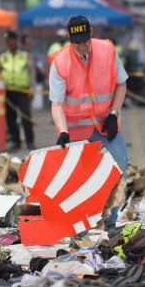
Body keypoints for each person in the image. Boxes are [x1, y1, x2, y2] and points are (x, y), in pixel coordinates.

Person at [49, 16, 129, 174]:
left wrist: (114, 114)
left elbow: (121, 84)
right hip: (75, 131)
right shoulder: (60, 62)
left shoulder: (108, 51)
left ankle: (119, 199)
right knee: (78, 175)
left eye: (85, 41)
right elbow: (57, 103)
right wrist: (63, 131)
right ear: (68, 37)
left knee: (119, 167)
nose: (81, 46)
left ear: (91, 32)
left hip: (106, 125)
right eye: (76, 42)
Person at [0, 30, 35, 150]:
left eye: (12, 40)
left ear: (16, 41)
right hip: (8, 91)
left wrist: (32, 89)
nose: (10, 43)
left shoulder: (25, 55)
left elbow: (31, 73)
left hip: (23, 91)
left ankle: (29, 141)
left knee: (25, 116)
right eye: (8, 41)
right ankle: (16, 142)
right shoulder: (2, 56)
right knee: (10, 118)